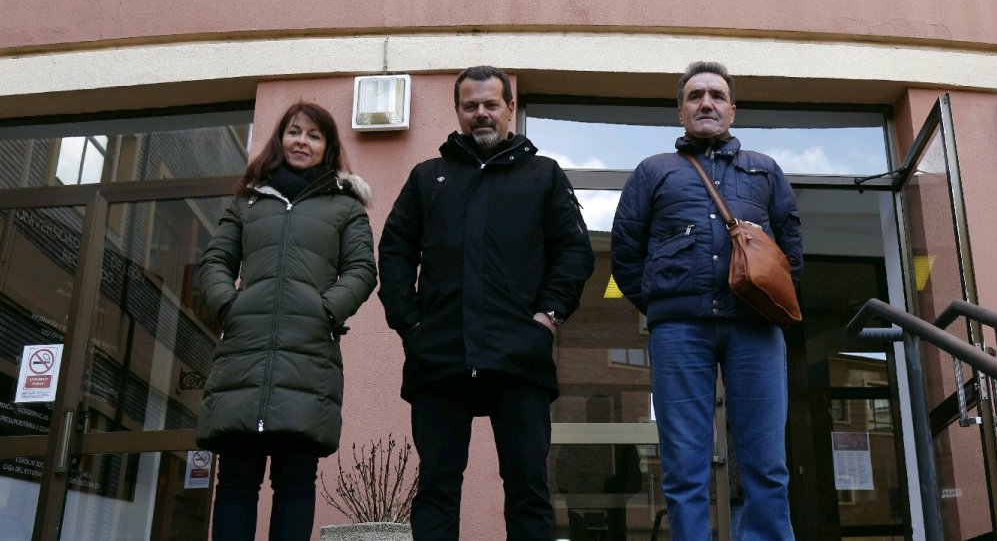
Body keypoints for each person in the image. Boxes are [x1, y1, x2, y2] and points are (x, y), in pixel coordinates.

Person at [377, 65, 595, 541]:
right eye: (470, 106)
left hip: (519, 358)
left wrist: (547, 317)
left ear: (510, 108)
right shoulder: (426, 178)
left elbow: (575, 252)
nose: (481, 114)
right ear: (457, 111)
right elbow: (394, 251)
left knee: (528, 491)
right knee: (436, 490)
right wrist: (409, 323)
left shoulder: (544, 176)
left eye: (491, 104)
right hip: (439, 356)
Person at [610, 61, 802, 540]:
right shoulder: (653, 172)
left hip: (755, 327)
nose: (706, 103)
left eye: (716, 95)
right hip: (679, 332)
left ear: (732, 110)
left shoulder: (765, 170)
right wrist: (663, 306)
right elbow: (625, 256)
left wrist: (768, 302)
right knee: (683, 464)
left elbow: (790, 253)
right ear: (681, 112)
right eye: (695, 96)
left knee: (767, 463)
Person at [196, 102, 378, 541]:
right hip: (243, 355)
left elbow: (362, 270)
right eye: (295, 132)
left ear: (327, 147)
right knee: (236, 484)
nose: (302, 141)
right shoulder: (248, 202)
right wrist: (229, 306)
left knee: (295, 485)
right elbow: (215, 260)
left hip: (308, 357)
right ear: (280, 139)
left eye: (314, 135)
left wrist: (326, 311)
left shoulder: (345, 208)